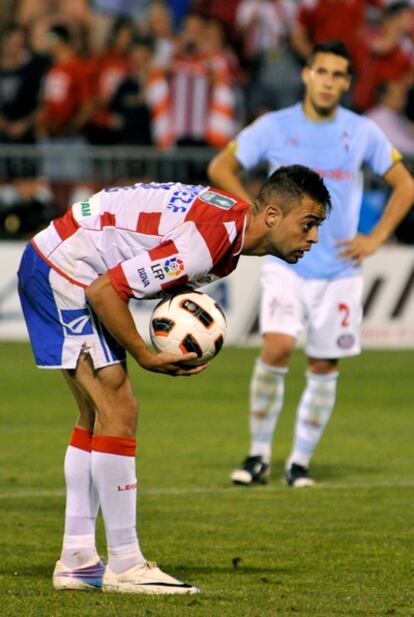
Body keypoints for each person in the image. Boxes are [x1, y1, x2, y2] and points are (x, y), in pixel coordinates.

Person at [17, 165, 331, 594]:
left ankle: (77, 559)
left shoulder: (229, 232)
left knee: (96, 413)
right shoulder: (212, 240)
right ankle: (126, 563)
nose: (313, 238)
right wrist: (145, 353)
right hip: (67, 269)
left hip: (61, 257)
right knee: (119, 407)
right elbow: (106, 291)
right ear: (272, 215)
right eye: (308, 224)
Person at [207, 40, 414, 488]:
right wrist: (259, 220)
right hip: (288, 264)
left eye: (340, 75)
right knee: (277, 347)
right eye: (323, 71)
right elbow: (222, 166)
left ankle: (298, 462)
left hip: (340, 269)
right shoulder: (275, 126)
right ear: (306, 74)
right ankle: (257, 453)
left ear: (346, 82)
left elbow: (405, 185)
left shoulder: (360, 131)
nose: (330, 81)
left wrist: (375, 238)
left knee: (323, 364)